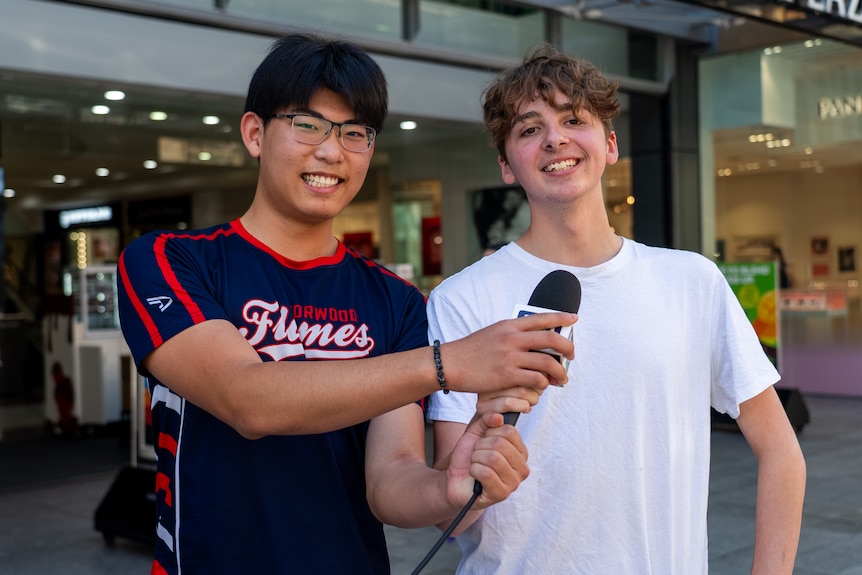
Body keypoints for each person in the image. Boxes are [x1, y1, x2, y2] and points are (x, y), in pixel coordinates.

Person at [116, 33, 575, 575]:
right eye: (308, 125)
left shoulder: (396, 301)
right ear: (255, 133)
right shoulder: (168, 261)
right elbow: (246, 400)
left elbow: (390, 480)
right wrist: (448, 363)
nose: (332, 152)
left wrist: (449, 489)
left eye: (355, 133)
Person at [426, 44, 806, 575]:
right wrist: (475, 470)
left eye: (573, 120)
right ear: (507, 166)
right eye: (530, 129)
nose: (555, 138)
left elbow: (781, 451)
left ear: (609, 144)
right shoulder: (461, 299)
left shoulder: (691, 281)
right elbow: (451, 516)